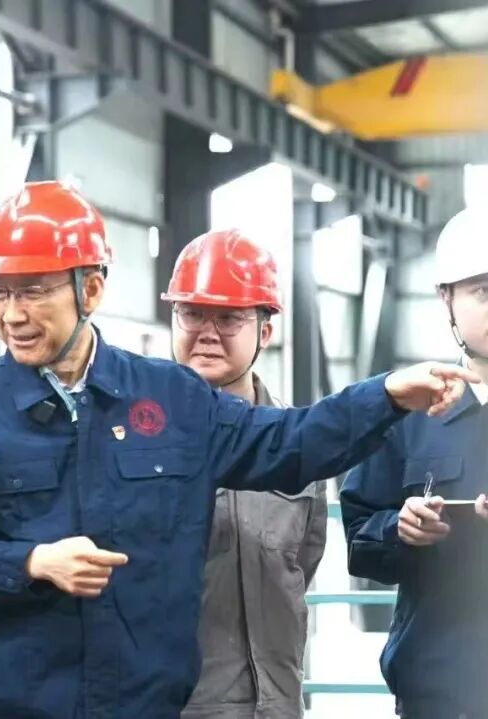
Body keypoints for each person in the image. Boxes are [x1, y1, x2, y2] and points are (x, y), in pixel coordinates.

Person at [0, 181, 478, 719]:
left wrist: (386, 395)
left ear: (90, 289)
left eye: (33, 291)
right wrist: (30, 562)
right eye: (0, 292)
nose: (12, 314)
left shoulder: (171, 399)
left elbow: (287, 441)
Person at [340, 208, 488, 718]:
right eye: (482, 291)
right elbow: (360, 543)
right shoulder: (406, 416)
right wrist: (400, 530)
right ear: (446, 299)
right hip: (438, 693)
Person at [163, 229, 326, 719]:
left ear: (265, 331)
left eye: (230, 317)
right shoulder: (138, 442)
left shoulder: (297, 443)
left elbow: (303, 561)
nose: (208, 332)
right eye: (192, 313)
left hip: (275, 703)